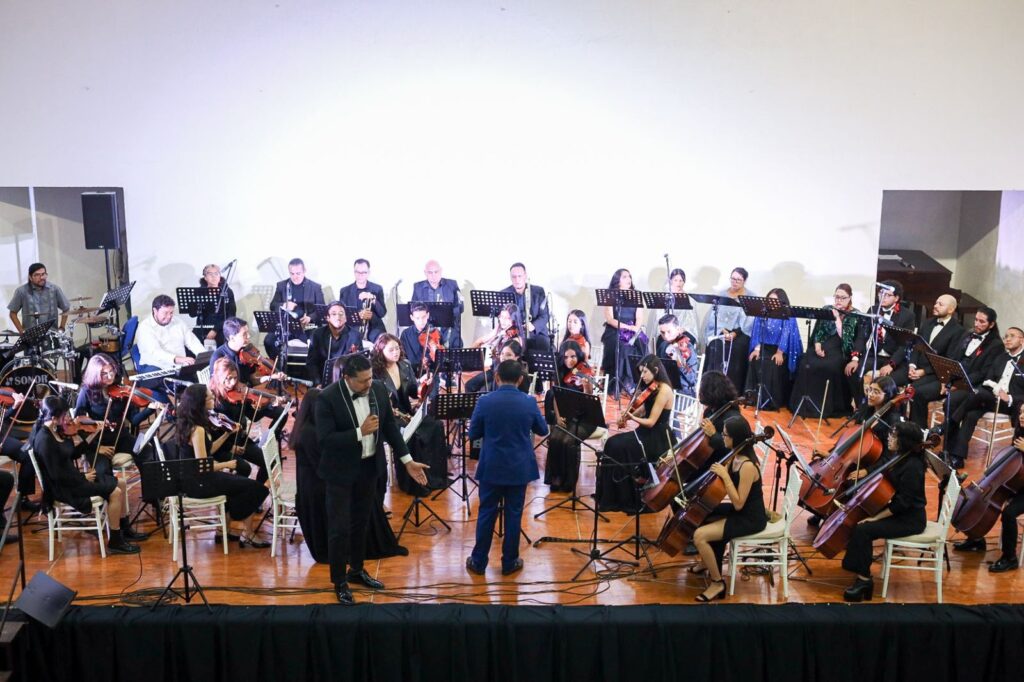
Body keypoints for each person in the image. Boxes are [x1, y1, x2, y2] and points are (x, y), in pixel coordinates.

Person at [315, 353, 429, 604]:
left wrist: (407, 461)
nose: (369, 384)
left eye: (370, 378)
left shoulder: (377, 389)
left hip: (369, 468)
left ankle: (356, 570)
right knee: (339, 529)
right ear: (347, 378)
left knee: (361, 523)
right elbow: (325, 440)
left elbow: (389, 427)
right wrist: (359, 432)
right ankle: (339, 581)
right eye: (363, 381)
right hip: (340, 473)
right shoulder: (327, 398)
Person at [30, 396, 146, 554]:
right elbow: (57, 476)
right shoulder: (44, 440)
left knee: (122, 483)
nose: (70, 418)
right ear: (55, 418)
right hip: (65, 488)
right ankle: (115, 540)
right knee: (115, 492)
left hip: (74, 480)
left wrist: (94, 434)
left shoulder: (55, 431)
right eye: (66, 415)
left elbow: (72, 455)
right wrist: (83, 477)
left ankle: (125, 528)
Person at [465, 360, 548, 576]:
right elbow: (542, 429)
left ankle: (478, 561)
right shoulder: (529, 402)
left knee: (486, 513)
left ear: (497, 377)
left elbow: (473, 434)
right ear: (521, 380)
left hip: (491, 466)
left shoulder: (485, 401)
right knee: (514, 515)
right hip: (519, 468)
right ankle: (509, 562)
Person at [172, 384, 270, 548]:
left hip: (195, 479)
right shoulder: (198, 430)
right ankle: (248, 533)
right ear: (200, 403)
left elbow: (209, 449)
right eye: (210, 397)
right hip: (199, 482)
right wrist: (226, 464)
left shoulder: (192, 424)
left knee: (240, 485)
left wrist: (226, 434)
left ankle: (227, 530)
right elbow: (202, 466)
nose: (213, 399)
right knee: (255, 487)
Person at [841, 421, 928, 602]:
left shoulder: (912, 466)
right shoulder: (900, 457)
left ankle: (864, 580)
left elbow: (902, 504)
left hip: (910, 520)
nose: (889, 438)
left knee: (864, 529)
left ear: (904, 440)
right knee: (861, 523)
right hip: (900, 513)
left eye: (894, 436)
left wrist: (876, 517)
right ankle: (860, 572)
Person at [690, 416, 768, 601]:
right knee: (702, 514)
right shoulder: (735, 453)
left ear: (735, 438)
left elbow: (739, 503)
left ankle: (717, 583)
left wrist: (725, 476)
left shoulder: (747, 466)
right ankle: (707, 562)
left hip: (749, 518)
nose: (722, 437)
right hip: (739, 511)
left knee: (699, 536)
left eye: (725, 435)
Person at [595, 355, 674, 513]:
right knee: (612, 443)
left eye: (645, 372)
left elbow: (651, 421)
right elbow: (644, 408)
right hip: (644, 433)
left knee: (617, 446)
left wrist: (632, 417)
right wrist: (626, 416)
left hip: (656, 437)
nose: (642, 376)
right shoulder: (653, 386)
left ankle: (621, 497)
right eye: (641, 372)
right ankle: (609, 495)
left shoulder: (664, 390)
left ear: (656, 370)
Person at [371, 333, 449, 492]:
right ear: (380, 351)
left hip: (406, 412)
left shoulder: (404, 365)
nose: (396, 352)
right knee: (412, 435)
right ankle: (414, 483)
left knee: (436, 425)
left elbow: (413, 392)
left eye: (397, 348)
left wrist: (423, 387)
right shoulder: (375, 372)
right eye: (391, 349)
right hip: (389, 417)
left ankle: (435, 476)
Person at [909, 306, 1001, 430]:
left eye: (982, 322)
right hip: (951, 378)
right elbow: (952, 358)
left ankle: (947, 439)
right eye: (976, 320)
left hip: (969, 385)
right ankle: (918, 433)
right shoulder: (967, 334)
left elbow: (982, 373)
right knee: (918, 393)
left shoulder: (995, 345)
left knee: (950, 402)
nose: (977, 324)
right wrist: (945, 379)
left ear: (991, 324)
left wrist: (957, 383)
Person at [946, 326, 1024, 471]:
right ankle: (958, 458)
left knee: (978, 394)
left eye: (1012, 336)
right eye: (1005, 336)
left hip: (1012, 404)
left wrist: (1009, 397)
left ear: (1022, 340)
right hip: (992, 398)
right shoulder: (1001, 357)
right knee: (970, 414)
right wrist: (996, 389)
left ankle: (951, 422)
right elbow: (988, 379)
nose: (1007, 339)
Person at [788, 284, 868, 419]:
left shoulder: (855, 315)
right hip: (823, 346)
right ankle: (803, 406)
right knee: (806, 362)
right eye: (837, 297)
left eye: (843, 298)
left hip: (841, 349)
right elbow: (818, 331)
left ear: (850, 298)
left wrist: (837, 319)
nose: (839, 301)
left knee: (828, 366)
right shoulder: (827, 309)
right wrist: (818, 345)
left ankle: (826, 407)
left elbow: (849, 341)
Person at [210, 317, 289, 445]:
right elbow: (217, 388)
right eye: (244, 334)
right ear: (232, 338)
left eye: (248, 333)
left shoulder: (246, 352)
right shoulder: (218, 357)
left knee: (281, 414)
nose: (248, 337)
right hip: (231, 403)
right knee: (241, 426)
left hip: (249, 397)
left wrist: (270, 377)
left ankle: (267, 443)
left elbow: (253, 379)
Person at [962, 409, 1024, 571]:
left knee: (1009, 513)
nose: (1022, 416)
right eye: (1021, 412)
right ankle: (976, 537)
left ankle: (1009, 558)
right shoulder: (1020, 432)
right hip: (1016, 482)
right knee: (982, 497)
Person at [543, 340, 606, 493]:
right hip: (566, 416)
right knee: (556, 439)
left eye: (573, 357)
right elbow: (556, 396)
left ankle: (569, 481)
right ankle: (556, 477)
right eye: (565, 357)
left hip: (586, 419)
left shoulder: (585, 370)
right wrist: (558, 417)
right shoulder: (560, 371)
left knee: (569, 441)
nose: (569, 360)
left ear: (579, 355)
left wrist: (586, 385)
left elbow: (589, 399)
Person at [75, 353, 158, 467]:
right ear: (95, 374)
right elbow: (78, 423)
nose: (110, 377)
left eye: (111, 371)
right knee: (103, 469)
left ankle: (149, 485)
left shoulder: (122, 390)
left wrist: (149, 410)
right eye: (104, 374)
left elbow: (134, 420)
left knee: (148, 454)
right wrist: (97, 447)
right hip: (98, 440)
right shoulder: (86, 392)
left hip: (121, 437)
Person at [206, 357, 270, 483]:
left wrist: (267, 406)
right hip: (222, 445)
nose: (232, 382)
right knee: (244, 469)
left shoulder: (238, 392)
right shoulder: (212, 399)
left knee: (267, 461)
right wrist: (231, 448)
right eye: (228, 378)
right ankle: (239, 494)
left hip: (240, 439)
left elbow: (253, 416)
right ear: (218, 377)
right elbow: (212, 433)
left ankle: (258, 491)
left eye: (235, 378)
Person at [135, 294, 207, 400]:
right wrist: (179, 359)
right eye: (165, 313)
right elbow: (156, 352)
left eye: (171, 312)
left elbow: (192, 342)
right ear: (155, 311)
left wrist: (205, 357)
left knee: (199, 385)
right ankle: (170, 409)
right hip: (154, 368)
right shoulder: (145, 327)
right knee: (159, 381)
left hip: (178, 368)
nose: (169, 316)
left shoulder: (178, 322)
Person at [744, 287, 803, 411]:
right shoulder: (763, 312)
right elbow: (757, 332)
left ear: (782, 301)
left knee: (772, 363)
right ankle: (752, 396)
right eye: (769, 300)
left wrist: (780, 352)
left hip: (781, 349)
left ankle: (770, 400)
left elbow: (786, 334)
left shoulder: (787, 314)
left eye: (774, 300)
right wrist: (757, 349)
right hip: (764, 346)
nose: (771, 303)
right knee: (754, 359)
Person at [702, 267, 757, 389]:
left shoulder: (750, 296)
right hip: (722, 331)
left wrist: (735, 333)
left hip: (741, 333)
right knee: (716, 345)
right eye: (733, 279)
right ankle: (712, 386)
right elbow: (714, 317)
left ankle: (733, 388)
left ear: (745, 280)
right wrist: (722, 330)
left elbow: (749, 322)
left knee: (737, 349)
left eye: (738, 280)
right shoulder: (721, 295)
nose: (735, 282)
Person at [290, 388, 328, 563]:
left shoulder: (306, 426)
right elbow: (321, 465)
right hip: (313, 487)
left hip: (310, 480)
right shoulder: (309, 432)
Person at [902, 294, 966, 391]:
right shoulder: (927, 322)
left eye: (940, 304)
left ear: (951, 310)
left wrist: (924, 371)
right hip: (916, 367)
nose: (935, 306)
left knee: (913, 390)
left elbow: (948, 359)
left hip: (934, 372)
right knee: (889, 381)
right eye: (936, 303)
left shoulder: (958, 331)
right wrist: (912, 365)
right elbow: (917, 346)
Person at [265, 258, 326, 358]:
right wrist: (284, 305)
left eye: (298, 273)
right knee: (269, 340)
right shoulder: (282, 286)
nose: (295, 277)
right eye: (292, 273)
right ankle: (279, 368)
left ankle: (310, 369)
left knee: (317, 344)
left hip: (307, 327)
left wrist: (310, 318)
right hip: (287, 327)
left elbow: (322, 310)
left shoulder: (315, 287)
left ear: (304, 271)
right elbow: (273, 306)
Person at [860, 281, 917, 387]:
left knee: (886, 382)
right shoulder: (873, 309)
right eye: (881, 293)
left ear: (896, 298)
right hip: (875, 355)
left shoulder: (908, 315)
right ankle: (862, 403)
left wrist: (891, 364)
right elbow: (863, 334)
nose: (883, 297)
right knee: (854, 373)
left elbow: (906, 344)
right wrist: (855, 358)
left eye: (888, 295)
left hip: (894, 357)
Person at [600, 268, 647, 397]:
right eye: (625, 277)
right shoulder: (610, 295)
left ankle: (637, 383)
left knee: (643, 344)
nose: (629, 279)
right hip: (615, 329)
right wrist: (625, 327)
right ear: (617, 280)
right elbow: (610, 319)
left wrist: (635, 328)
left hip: (632, 328)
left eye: (629, 276)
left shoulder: (636, 295)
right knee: (621, 347)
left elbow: (639, 317)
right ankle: (622, 383)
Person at [306, 301, 362, 387]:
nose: (338, 317)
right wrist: (318, 383)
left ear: (346, 318)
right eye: (334, 314)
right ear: (327, 318)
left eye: (341, 314)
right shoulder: (317, 334)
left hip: (345, 382)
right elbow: (311, 363)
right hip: (321, 381)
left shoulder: (355, 335)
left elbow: (359, 363)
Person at [411, 260, 464, 348]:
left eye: (436, 272)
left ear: (441, 271)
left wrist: (447, 314)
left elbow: (460, 308)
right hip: (427, 330)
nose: (433, 275)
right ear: (425, 273)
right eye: (430, 272)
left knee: (455, 346)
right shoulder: (418, 287)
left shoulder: (452, 284)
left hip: (448, 328)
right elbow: (413, 308)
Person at [501, 262, 551, 352]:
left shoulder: (538, 291)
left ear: (525, 276)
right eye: (514, 277)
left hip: (536, 332)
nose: (517, 280)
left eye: (519, 276)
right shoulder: (504, 293)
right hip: (515, 333)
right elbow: (502, 317)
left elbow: (545, 315)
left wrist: (534, 326)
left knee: (543, 343)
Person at [7, 262, 70, 333]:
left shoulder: (55, 289)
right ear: (30, 277)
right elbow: (12, 313)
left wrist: (62, 327)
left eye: (43, 274)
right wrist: (21, 332)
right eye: (37, 275)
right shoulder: (21, 291)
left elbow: (66, 308)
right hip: (31, 336)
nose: (41, 277)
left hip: (52, 335)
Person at [338, 258, 387, 343]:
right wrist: (358, 316)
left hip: (374, 328)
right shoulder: (345, 291)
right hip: (352, 328)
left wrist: (372, 299)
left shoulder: (377, 289)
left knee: (381, 341)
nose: (360, 275)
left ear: (368, 273)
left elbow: (382, 313)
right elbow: (341, 315)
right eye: (357, 272)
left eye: (364, 272)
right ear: (354, 272)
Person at [192, 263, 237, 348]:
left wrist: (215, 329)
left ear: (220, 276)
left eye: (216, 273)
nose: (214, 276)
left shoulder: (227, 292)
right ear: (205, 277)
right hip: (203, 326)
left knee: (223, 341)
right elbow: (192, 314)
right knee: (191, 343)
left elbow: (231, 315)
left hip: (221, 327)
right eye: (210, 274)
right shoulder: (199, 292)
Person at [657, 313, 700, 397]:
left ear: (678, 329)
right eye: (662, 332)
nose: (666, 336)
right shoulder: (663, 345)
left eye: (669, 331)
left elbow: (692, 379)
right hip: (665, 388)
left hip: (682, 392)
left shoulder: (687, 347)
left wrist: (678, 361)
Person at [471, 303, 523, 367]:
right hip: (494, 367)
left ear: (514, 320)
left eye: (507, 318)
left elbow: (504, 364)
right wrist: (494, 334)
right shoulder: (500, 331)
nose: (503, 321)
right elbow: (477, 343)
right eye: (501, 317)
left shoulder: (515, 339)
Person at [399, 303, 443, 378]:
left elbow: (440, 357)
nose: (421, 321)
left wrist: (429, 360)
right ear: (412, 317)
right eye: (417, 318)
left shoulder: (435, 333)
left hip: (430, 373)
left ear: (428, 315)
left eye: (423, 317)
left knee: (431, 389)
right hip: (411, 374)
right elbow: (403, 357)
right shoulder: (405, 334)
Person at [662, 268, 699, 347]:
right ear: (671, 281)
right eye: (675, 280)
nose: (678, 283)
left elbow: (691, 321)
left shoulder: (689, 299)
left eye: (681, 280)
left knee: (686, 342)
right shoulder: (666, 298)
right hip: (668, 330)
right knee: (663, 342)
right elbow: (661, 318)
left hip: (684, 330)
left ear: (684, 282)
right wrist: (670, 330)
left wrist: (681, 329)